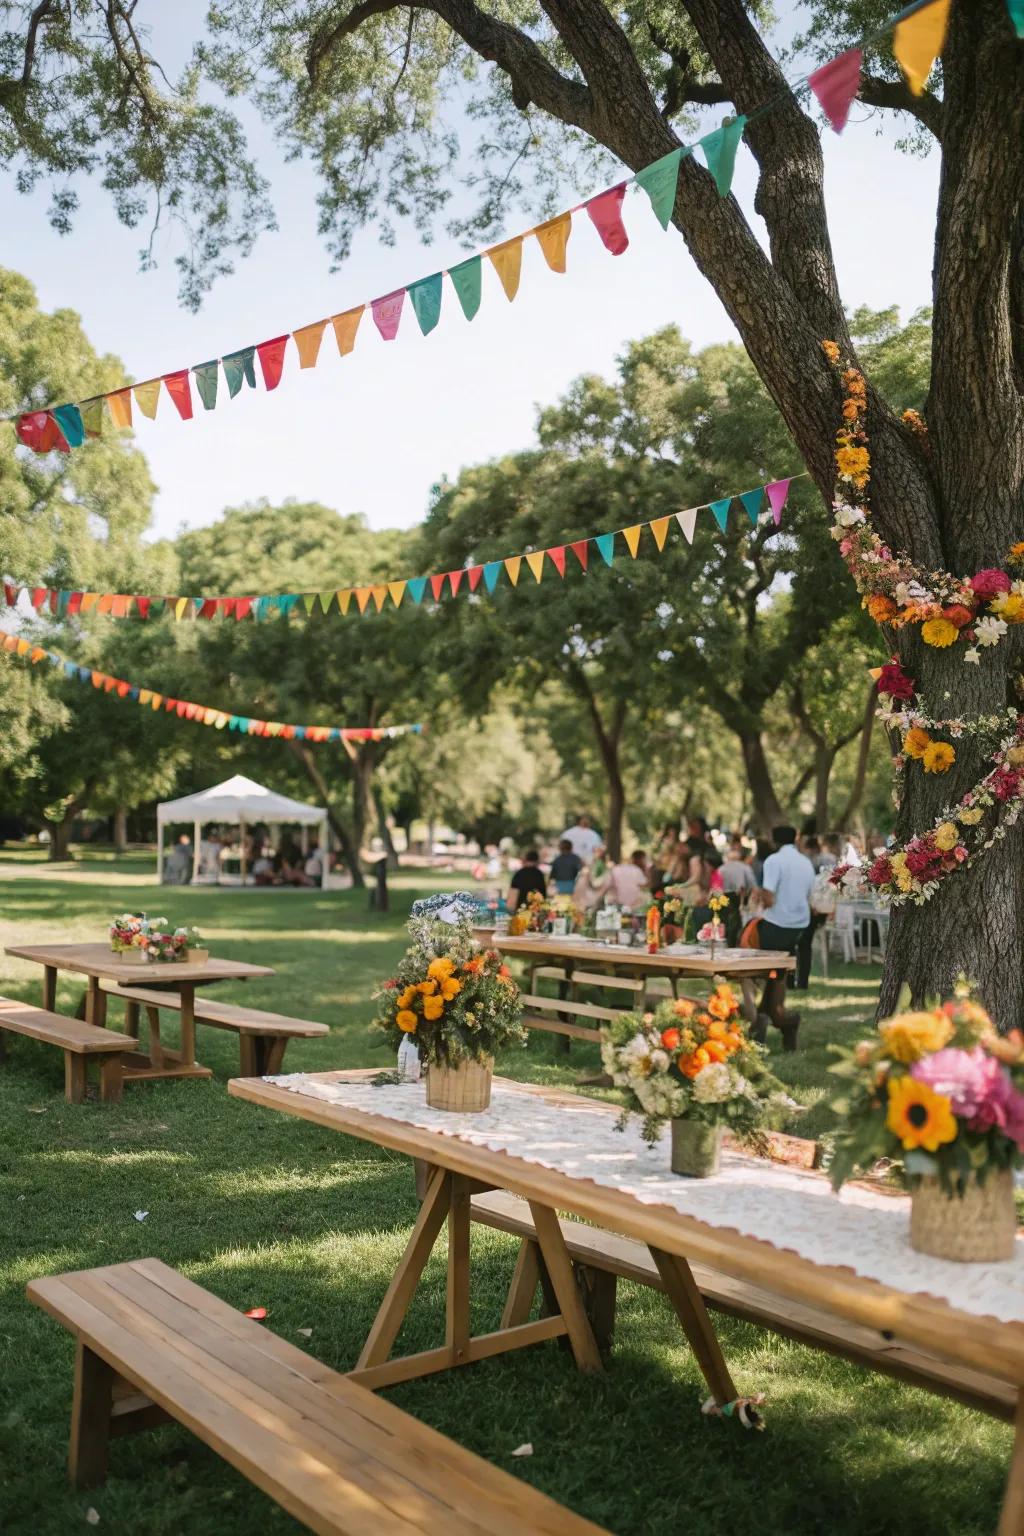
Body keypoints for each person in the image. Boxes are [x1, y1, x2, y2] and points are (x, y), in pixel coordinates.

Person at [757, 826, 816, 1036]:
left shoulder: (774, 860)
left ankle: (768, 1014)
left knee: (756, 963)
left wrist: (759, 900)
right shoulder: (806, 862)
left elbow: (769, 897)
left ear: (774, 841)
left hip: (777, 922)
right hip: (799, 924)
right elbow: (810, 895)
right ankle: (771, 1012)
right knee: (778, 969)